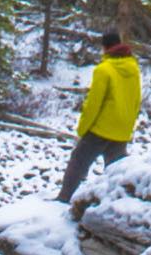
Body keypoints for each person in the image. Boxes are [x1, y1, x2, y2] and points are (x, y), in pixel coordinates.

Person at [62, 29, 145, 197]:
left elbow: (93, 104)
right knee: (116, 172)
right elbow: (136, 100)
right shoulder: (134, 68)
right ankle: (114, 202)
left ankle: (64, 198)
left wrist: (82, 129)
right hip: (122, 130)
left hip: (101, 129)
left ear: (105, 47)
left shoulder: (103, 70)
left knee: (78, 162)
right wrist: (128, 127)